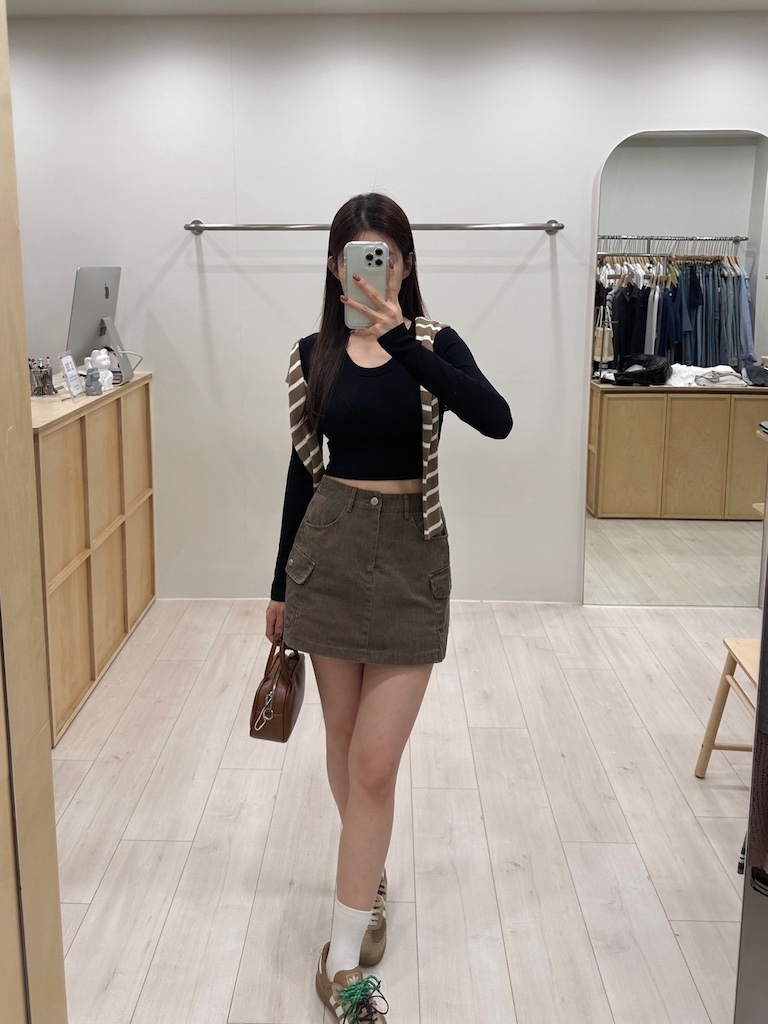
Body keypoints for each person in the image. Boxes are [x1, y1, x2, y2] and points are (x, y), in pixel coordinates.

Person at [266, 193, 512, 1022]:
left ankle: (342, 960)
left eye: (387, 257)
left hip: (412, 558)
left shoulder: (433, 345)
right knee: (343, 746)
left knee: (375, 763)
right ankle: (360, 899)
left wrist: (399, 335)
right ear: (334, 268)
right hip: (329, 553)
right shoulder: (310, 356)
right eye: (357, 259)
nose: (372, 271)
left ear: (405, 266)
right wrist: (278, 586)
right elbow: (301, 472)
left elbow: (496, 419)